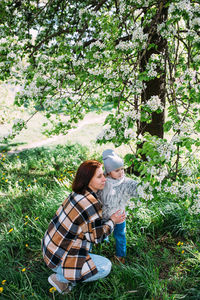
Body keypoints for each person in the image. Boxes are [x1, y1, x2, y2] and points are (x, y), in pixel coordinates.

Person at [42, 160, 125, 294]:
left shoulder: (77, 194)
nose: (105, 178)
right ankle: (60, 278)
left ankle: (67, 272)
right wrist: (113, 221)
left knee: (89, 235)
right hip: (58, 260)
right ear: (87, 180)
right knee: (105, 266)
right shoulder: (90, 204)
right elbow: (97, 237)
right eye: (99, 177)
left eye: (103, 174)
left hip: (50, 250)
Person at [98, 149, 138, 264]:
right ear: (109, 172)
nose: (121, 172)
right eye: (116, 170)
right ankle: (101, 245)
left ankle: (121, 256)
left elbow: (136, 188)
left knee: (120, 236)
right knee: (102, 233)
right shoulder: (104, 182)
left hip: (119, 216)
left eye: (122, 169)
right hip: (105, 216)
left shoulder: (125, 182)